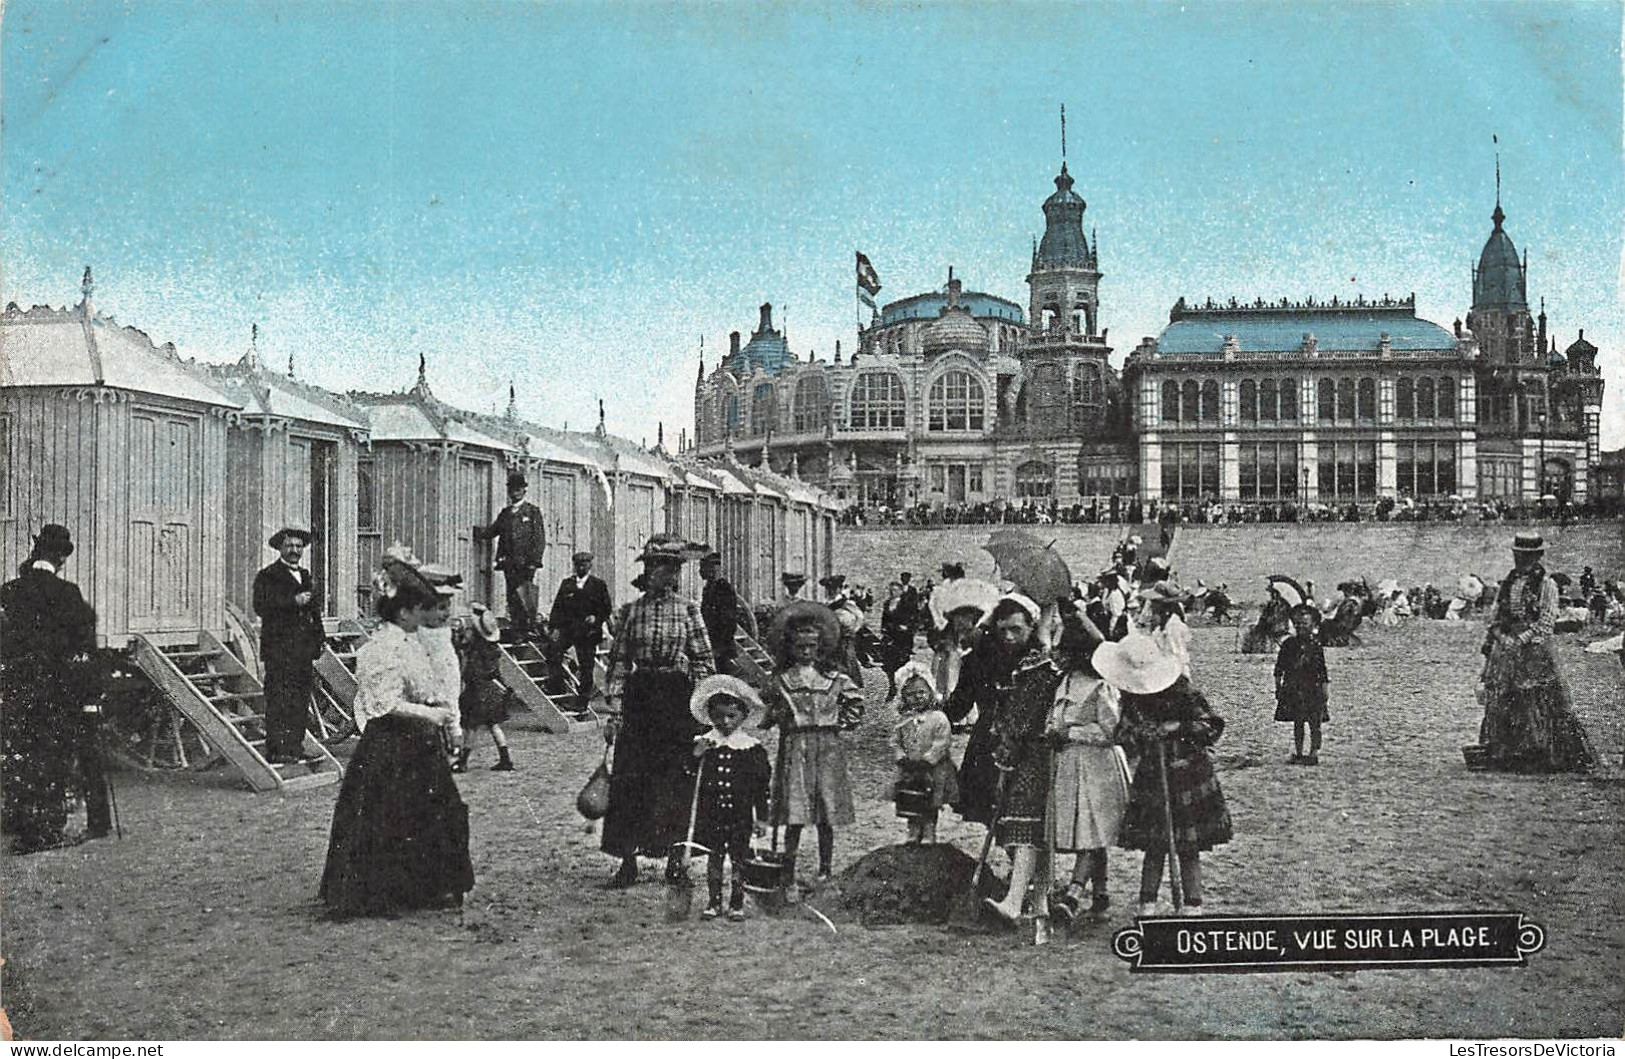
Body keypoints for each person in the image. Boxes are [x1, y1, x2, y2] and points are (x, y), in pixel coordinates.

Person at [319, 548, 472, 919]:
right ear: (403, 612)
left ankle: (426, 887)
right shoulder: (381, 649)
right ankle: (380, 894)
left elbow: (428, 686)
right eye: (419, 609)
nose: (424, 615)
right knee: (387, 817)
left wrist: (444, 719)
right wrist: (433, 716)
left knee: (430, 813)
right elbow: (384, 705)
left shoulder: (410, 644)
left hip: (418, 744)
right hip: (390, 745)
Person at [600, 534, 717, 889]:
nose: (664, 573)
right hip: (640, 698)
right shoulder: (631, 612)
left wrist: (700, 705)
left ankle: (675, 860)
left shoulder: (689, 610)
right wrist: (616, 710)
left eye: (670, 567)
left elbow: (703, 661)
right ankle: (627, 861)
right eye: (657, 566)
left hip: (675, 700)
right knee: (631, 778)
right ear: (647, 571)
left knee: (675, 778)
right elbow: (619, 662)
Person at [1100, 635, 1232, 916]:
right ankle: (1147, 903)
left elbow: (1211, 725)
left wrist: (1177, 727)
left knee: (1188, 845)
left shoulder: (1182, 689)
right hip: (1152, 775)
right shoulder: (1132, 696)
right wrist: (1140, 733)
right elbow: (1122, 734)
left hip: (1188, 775)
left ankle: (1192, 904)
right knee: (1155, 844)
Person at [0, 526, 100, 853]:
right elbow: (84, 649)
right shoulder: (68, 593)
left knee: (19, 755)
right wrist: (90, 694)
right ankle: (44, 831)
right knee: (52, 757)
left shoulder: (8, 591)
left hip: (16, 689)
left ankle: (18, 821)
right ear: (60, 558)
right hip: (57, 690)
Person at [760, 601, 863, 888]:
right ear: (790, 648)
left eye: (812, 647)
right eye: (800, 647)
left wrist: (843, 722)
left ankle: (825, 867)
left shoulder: (834, 678)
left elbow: (856, 700)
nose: (806, 652)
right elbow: (767, 713)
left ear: (821, 647)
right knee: (793, 808)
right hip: (796, 744)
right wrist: (777, 714)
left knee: (825, 807)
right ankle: (788, 867)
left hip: (827, 746)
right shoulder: (782, 679)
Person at [1476, 533, 1595, 773]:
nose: (1522, 559)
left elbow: (1547, 620)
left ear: (1537, 556)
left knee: (1538, 699)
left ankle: (1540, 753)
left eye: (1527, 556)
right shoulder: (1507, 584)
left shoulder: (1546, 584)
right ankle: (1507, 752)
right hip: (1507, 649)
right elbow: (1496, 617)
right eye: (1518, 555)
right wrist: (1503, 638)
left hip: (1534, 650)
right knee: (1504, 698)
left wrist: (1521, 640)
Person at [1046, 610, 1128, 924]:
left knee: (1093, 827)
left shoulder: (1099, 688)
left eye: (1063, 651)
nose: (1058, 656)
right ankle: (1101, 891)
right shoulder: (1062, 683)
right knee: (1089, 828)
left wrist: (1072, 732)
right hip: (1070, 763)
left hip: (1097, 767)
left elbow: (1111, 731)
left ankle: (1075, 893)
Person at [948, 594, 1040, 826]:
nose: (1008, 637)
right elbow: (960, 704)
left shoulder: (1041, 663)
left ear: (1031, 627)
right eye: (1003, 630)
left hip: (1029, 750)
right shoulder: (980, 659)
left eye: (1016, 630)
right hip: (987, 746)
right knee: (992, 819)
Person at [685, 675, 771, 921]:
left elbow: (760, 786)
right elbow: (687, 775)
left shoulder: (750, 748)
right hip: (712, 814)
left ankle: (736, 903)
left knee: (739, 859)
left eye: (731, 716)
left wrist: (762, 818)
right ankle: (713, 902)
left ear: (743, 716)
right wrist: (695, 755)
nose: (725, 722)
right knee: (714, 857)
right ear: (710, 716)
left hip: (740, 815)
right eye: (718, 716)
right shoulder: (705, 743)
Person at [253, 526, 325, 764]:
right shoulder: (267, 575)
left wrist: (319, 640)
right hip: (279, 648)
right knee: (278, 698)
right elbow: (261, 607)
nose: (294, 550)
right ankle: (276, 749)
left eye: (298, 546)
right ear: (280, 549)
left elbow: (314, 612)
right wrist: (292, 601)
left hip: (303, 649)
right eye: (289, 546)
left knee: (300, 698)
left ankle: (295, 746)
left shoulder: (305, 575)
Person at [473, 472, 548, 642]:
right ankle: (517, 629)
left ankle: (526, 629)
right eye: (511, 490)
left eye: (518, 490)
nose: (514, 493)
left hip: (526, 564)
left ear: (524, 491)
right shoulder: (506, 513)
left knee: (524, 595)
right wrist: (477, 532)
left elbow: (539, 539)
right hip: (509, 563)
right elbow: (493, 530)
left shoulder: (532, 512)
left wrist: (534, 562)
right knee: (512, 596)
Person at [891, 662, 957, 845]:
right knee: (911, 799)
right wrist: (901, 757)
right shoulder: (903, 720)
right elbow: (895, 741)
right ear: (904, 697)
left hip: (932, 769)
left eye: (921, 692)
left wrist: (929, 760)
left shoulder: (938, 718)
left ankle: (929, 831)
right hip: (910, 768)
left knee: (930, 800)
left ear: (930, 692)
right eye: (911, 695)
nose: (917, 698)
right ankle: (913, 831)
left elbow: (942, 741)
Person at [548, 551, 612, 709]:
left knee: (586, 668)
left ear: (590, 566)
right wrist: (554, 627)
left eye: (585, 564)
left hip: (588, 632)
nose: (581, 567)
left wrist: (596, 618)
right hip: (568, 630)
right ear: (574, 566)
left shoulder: (598, 585)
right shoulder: (567, 584)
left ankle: (582, 703)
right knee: (552, 651)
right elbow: (557, 608)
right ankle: (558, 690)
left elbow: (606, 608)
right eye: (578, 565)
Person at [456, 606, 517, 772]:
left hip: (477, 691)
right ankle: (506, 760)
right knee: (494, 726)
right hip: (492, 691)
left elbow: (470, 674)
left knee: (471, 727)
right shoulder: (493, 650)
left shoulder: (475, 652)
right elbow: (496, 673)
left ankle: (463, 762)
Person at [1275, 604, 1330, 765]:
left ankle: (1313, 753)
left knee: (1315, 723)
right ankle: (1299, 752)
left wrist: (1325, 690)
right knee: (1298, 722)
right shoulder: (1288, 644)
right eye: (1297, 624)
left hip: (1313, 688)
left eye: (1304, 624)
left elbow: (1322, 670)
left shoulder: (1316, 646)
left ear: (1313, 625)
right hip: (1293, 688)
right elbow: (1279, 668)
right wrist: (1278, 687)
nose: (1300, 627)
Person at [699, 552, 746, 674]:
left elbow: (729, 620)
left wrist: (720, 646)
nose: (700, 571)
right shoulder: (708, 588)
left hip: (721, 643)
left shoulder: (724, 587)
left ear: (712, 569)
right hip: (710, 640)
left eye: (702, 567)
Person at [1140, 581, 1193, 679]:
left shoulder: (1173, 625)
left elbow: (1178, 655)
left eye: (1155, 602)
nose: (1152, 605)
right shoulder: (1162, 621)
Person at [820, 574, 865, 686]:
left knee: (847, 662)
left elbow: (860, 617)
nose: (832, 591)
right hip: (830, 639)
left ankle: (851, 687)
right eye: (829, 589)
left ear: (840, 589)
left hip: (844, 639)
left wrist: (852, 630)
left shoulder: (846, 603)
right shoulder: (826, 603)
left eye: (835, 588)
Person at [878, 581, 917, 701]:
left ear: (900, 591)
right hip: (890, 638)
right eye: (890, 590)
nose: (892, 592)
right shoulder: (887, 604)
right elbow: (884, 619)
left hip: (902, 639)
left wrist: (908, 628)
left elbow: (915, 619)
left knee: (902, 664)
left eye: (895, 590)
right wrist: (883, 630)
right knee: (889, 665)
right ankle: (892, 688)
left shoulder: (907, 604)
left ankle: (905, 690)